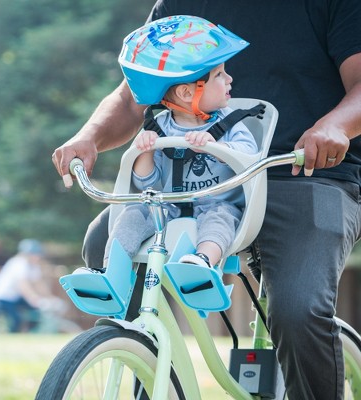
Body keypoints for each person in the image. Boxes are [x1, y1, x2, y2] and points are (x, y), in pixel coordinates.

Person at [52, 2, 361, 399]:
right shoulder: (176, 4)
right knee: (103, 244)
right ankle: (147, 363)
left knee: (298, 311)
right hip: (187, 179)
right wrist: (88, 137)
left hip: (302, 172)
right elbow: (134, 96)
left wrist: (335, 125)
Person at [75, 16, 257, 273]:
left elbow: (250, 159)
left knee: (221, 220)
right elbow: (148, 184)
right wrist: (144, 152)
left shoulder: (230, 123)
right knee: (134, 214)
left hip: (216, 204)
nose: (229, 79)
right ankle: (110, 272)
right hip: (167, 205)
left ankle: (202, 263)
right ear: (186, 93)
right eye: (219, 74)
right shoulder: (160, 126)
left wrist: (216, 146)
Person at [0, 239, 58, 333]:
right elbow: (23, 285)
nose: (37, 257)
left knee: (37, 313)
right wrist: (34, 297)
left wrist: (50, 297)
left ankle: (30, 333)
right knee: (16, 319)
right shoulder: (18, 263)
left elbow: (39, 283)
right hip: (3, 296)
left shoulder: (33, 265)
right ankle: (10, 339)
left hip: (15, 297)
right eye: (35, 254)